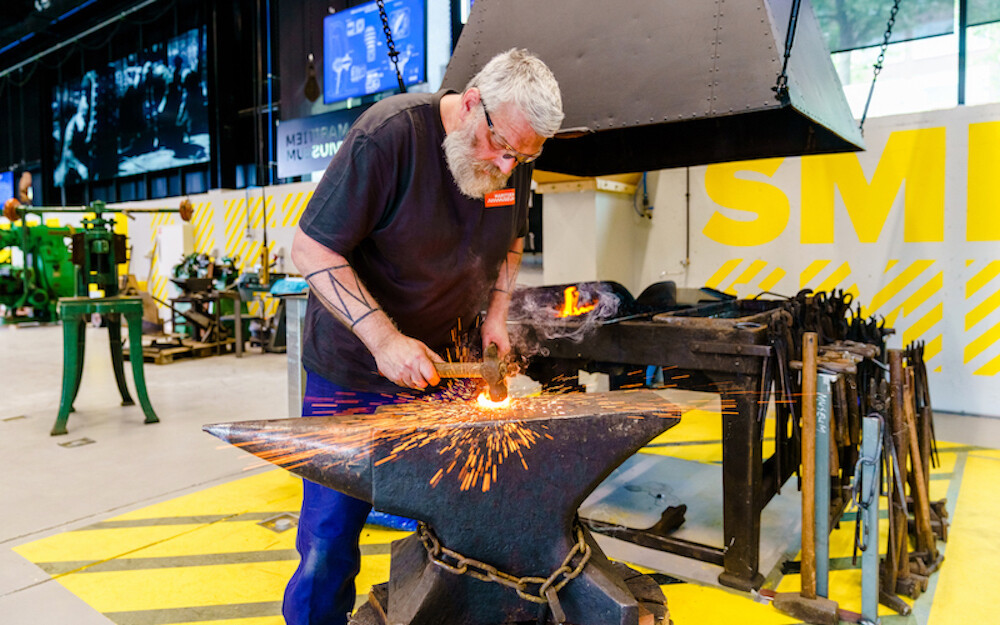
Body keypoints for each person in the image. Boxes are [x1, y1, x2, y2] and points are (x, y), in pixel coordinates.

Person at [286, 48, 563, 625]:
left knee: (465, 517)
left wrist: (495, 317)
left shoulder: (512, 154)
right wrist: (385, 341)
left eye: (523, 156)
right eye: (502, 148)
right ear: (469, 105)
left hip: (447, 370)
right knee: (329, 539)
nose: (508, 167)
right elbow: (310, 249)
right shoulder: (388, 136)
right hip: (354, 374)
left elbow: (512, 242)